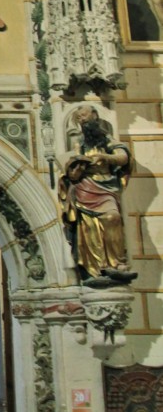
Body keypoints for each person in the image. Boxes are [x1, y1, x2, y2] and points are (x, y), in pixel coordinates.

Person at [58, 105, 137, 287]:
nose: (83, 120)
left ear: (94, 115)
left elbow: (123, 157)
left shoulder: (105, 140)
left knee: (113, 217)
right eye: (79, 118)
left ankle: (116, 263)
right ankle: (94, 268)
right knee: (88, 230)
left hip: (106, 187)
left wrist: (105, 157)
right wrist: (76, 169)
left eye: (85, 115)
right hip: (84, 189)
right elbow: (71, 173)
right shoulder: (79, 144)